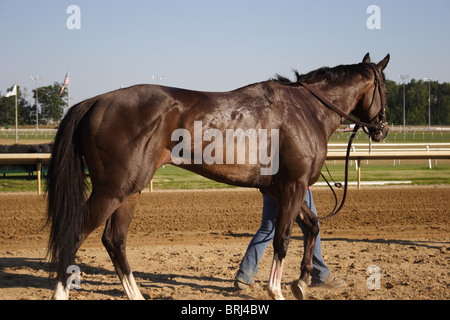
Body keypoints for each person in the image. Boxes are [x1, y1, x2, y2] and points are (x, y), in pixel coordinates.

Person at [235, 188, 344, 290]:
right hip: (295, 187)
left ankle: (245, 274)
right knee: (311, 227)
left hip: (270, 186)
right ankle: (321, 275)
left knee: (267, 229)